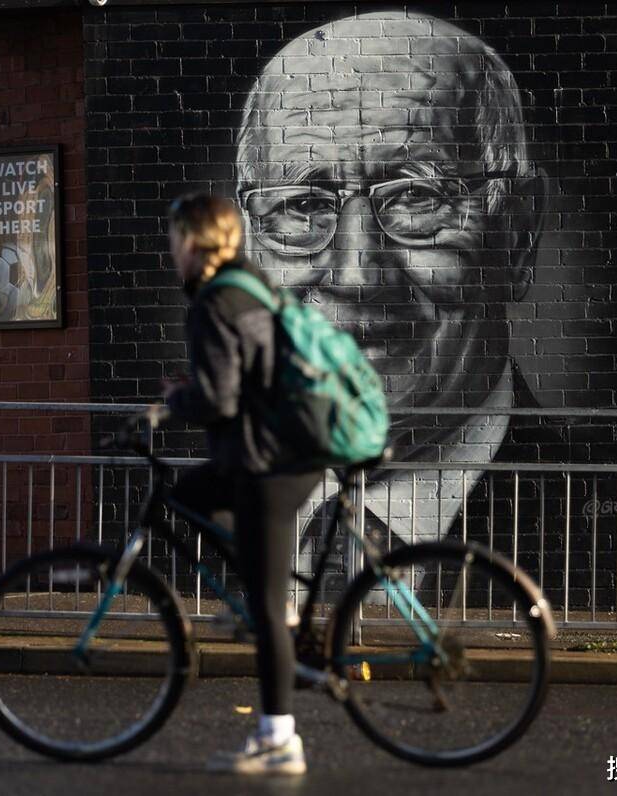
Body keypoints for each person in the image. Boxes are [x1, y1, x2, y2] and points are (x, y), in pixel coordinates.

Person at [234, 10, 550, 547]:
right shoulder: (179, 501)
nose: (358, 276)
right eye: (303, 205)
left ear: (516, 235)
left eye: (417, 196)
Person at [162, 193, 322, 776]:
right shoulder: (253, 285)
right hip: (283, 453)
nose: (171, 251)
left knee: (269, 608)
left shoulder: (214, 301)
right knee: (186, 494)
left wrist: (174, 400)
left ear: (195, 242)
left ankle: (280, 739)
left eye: (176, 239)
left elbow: (220, 397)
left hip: (268, 465)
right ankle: (262, 594)